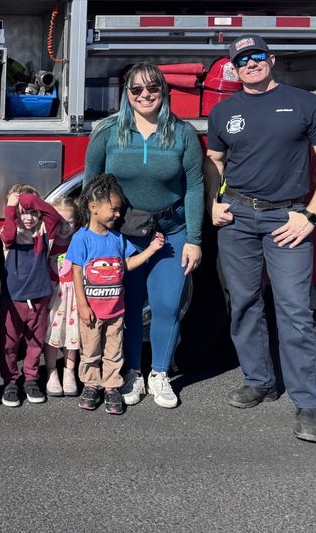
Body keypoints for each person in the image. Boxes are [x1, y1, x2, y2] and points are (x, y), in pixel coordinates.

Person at [205, 34, 316, 443]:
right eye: (243, 59)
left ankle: (307, 403)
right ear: (235, 67)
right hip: (237, 219)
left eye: (257, 56)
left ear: (272, 59)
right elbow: (214, 160)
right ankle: (260, 380)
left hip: (287, 218)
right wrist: (215, 202)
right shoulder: (224, 111)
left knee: (294, 311)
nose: (251, 63)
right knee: (244, 302)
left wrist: (310, 216)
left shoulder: (308, 105)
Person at [84, 62, 204, 409]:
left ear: (163, 91)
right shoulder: (107, 132)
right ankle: (133, 372)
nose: (145, 95)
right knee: (130, 308)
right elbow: (92, 185)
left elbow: (194, 187)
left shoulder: (182, 134)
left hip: (172, 233)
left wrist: (194, 239)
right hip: (124, 236)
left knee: (167, 305)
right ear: (127, 94)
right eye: (136, 89)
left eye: (152, 88)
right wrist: (92, 237)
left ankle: (160, 374)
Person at [70, 175, 164, 415]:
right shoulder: (81, 238)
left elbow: (128, 264)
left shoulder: (117, 238)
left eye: (119, 210)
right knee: (90, 351)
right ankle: (91, 384)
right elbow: (76, 271)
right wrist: (82, 305)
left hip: (115, 310)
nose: (118, 215)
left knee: (114, 351)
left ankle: (111, 385)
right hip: (91, 310)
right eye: (113, 210)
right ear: (94, 208)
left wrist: (152, 249)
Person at [0, 184, 62, 407]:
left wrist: (29, 200)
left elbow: (53, 216)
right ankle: (11, 380)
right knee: (10, 342)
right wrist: (10, 209)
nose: (29, 217)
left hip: (39, 297)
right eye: (23, 212)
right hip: (13, 299)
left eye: (33, 212)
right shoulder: (10, 230)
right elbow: (7, 234)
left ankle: (32, 378)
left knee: (35, 342)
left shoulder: (45, 233)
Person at [43, 196, 80, 398]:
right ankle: (51, 371)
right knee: (52, 336)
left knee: (73, 336)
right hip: (53, 296)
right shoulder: (48, 243)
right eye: (60, 222)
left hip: (73, 295)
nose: (65, 227)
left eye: (70, 222)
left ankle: (69, 372)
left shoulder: (77, 242)